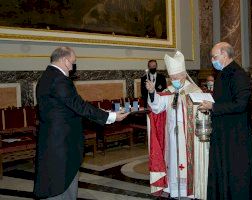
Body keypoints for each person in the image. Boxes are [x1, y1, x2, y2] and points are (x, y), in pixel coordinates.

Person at [33, 46, 129, 199]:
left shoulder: (45, 77)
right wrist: (110, 116)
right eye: (73, 62)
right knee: (62, 186)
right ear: (65, 60)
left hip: (51, 140)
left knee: (53, 181)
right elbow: (79, 106)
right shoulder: (59, 80)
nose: (73, 67)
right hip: (62, 143)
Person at [199, 42, 252, 200]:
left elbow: (241, 104)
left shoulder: (238, 74)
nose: (213, 60)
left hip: (235, 134)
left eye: (214, 56)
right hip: (222, 131)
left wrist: (214, 107)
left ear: (225, 55)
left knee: (236, 172)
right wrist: (210, 106)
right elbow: (222, 100)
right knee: (222, 168)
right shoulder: (223, 73)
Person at [145, 51, 209, 199]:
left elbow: (203, 113)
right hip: (172, 136)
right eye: (172, 77)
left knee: (187, 164)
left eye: (177, 77)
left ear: (184, 75)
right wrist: (153, 92)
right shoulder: (169, 91)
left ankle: (190, 190)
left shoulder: (195, 91)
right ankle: (174, 190)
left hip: (189, 137)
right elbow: (156, 107)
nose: (174, 80)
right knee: (173, 163)